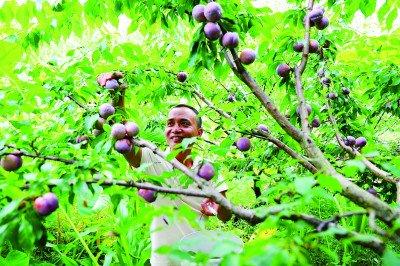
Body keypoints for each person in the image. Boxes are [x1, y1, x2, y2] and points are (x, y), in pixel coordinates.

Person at [98, 73, 232, 265]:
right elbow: (122, 135)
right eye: (170, 123)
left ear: (199, 133)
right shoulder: (152, 158)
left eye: (184, 123)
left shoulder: (207, 169)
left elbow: (226, 217)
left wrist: (216, 201)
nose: (175, 129)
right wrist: (118, 93)